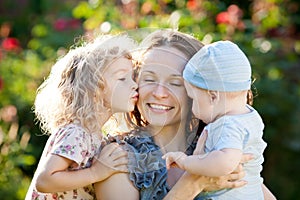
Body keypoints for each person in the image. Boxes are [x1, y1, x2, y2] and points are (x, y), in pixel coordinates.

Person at [95, 30, 276, 200]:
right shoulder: (119, 158)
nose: (159, 93)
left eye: (175, 83)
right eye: (149, 79)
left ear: (201, 92)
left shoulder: (219, 147)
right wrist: (193, 183)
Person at [25, 34, 140, 200]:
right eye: (122, 78)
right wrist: (95, 173)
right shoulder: (77, 133)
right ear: (94, 89)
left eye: (133, 78)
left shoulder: (94, 135)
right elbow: (45, 180)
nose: (134, 84)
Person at [163, 40, 268, 199]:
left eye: (193, 99)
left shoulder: (227, 124)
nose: (192, 108)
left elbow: (225, 162)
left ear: (213, 97)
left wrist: (186, 162)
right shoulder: (250, 116)